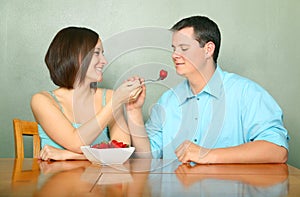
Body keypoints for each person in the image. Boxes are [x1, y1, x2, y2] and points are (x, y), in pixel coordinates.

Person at [126, 16, 289, 164]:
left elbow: (277, 150)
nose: (175, 55)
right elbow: (147, 157)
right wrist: (134, 111)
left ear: (208, 50)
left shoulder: (247, 93)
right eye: (174, 48)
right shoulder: (167, 100)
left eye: (183, 48)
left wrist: (207, 155)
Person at [31, 27, 141, 161]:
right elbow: (76, 142)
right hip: (57, 179)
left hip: (100, 180)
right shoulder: (42, 101)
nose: (104, 61)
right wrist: (116, 102)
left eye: (103, 53)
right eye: (97, 53)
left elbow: (120, 152)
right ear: (76, 56)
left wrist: (69, 155)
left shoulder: (109, 97)